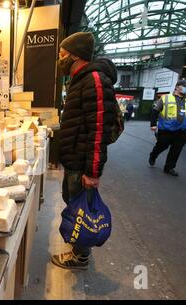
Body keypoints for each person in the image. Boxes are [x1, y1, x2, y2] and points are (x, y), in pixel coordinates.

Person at [52, 32, 117, 270]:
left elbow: (98, 130)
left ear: (75, 55)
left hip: (82, 164)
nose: (60, 59)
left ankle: (80, 257)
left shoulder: (95, 80)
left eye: (62, 54)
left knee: (81, 210)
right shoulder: (80, 79)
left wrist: (93, 172)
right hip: (75, 160)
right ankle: (79, 249)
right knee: (73, 203)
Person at [149, 79, 186, 176]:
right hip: (166, 129)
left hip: (182, 130)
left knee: (176, 150)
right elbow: (155, 112)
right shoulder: (165, 98)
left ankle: (169, 168)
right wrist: (153, 124)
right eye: (185, 86)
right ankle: (153, 155)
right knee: (161, 145)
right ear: (177, 87)